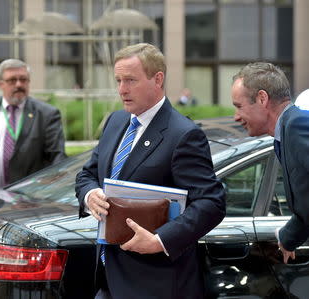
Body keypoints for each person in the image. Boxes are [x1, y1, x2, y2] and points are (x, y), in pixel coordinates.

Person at [75, 43, 226, 299]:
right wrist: (90, 196)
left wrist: (159, 240)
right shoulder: (116, 121)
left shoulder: (184, 134)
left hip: (156, 284)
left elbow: (212, 202)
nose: (122, 89)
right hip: (107, 277)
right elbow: (86, 175)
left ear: (158, 79)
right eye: (118, 80)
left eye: (131, 80)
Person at [231, 62, 309, 264]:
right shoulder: (286, 132)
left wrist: (289, 235)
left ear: (262, 98)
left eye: (239, 106)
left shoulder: (297, 125)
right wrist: (288, 237)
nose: (236, 117)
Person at [0, 59, 67, 189]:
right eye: (12, 80)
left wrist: (49, 187)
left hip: (27, 198)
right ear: (0, 84)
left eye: (23, 79)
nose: (18, 84)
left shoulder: (47, 114)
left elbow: (57, 155)